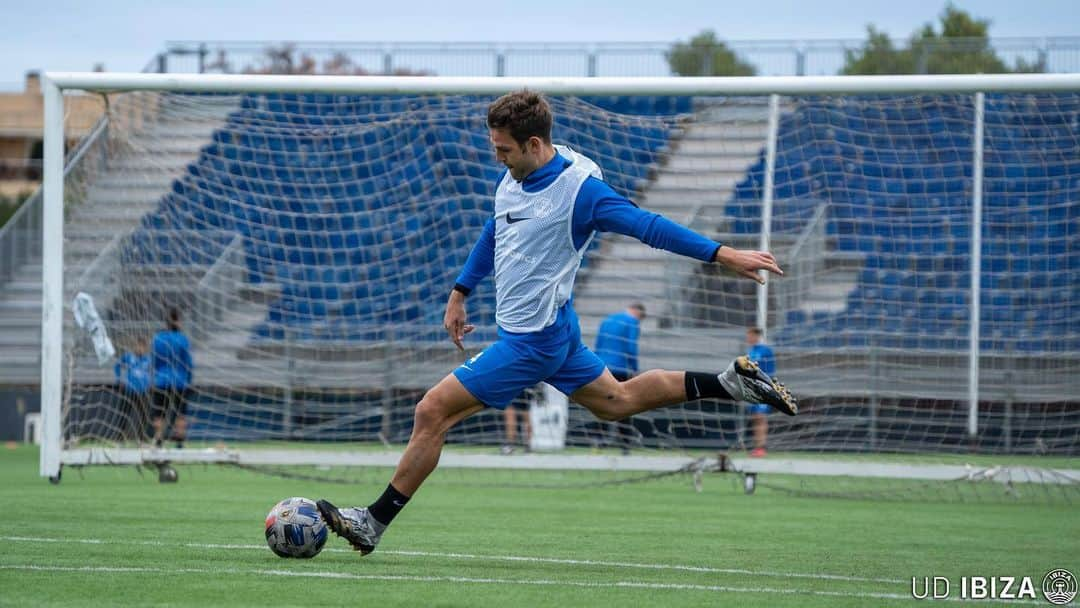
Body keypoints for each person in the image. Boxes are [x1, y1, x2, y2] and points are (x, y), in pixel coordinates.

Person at [317, 90, 797, 555]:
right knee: (618, 401)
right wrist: (461, 289)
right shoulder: (515, 175)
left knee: (431, 411)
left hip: (533, 341)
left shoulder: (581, 193)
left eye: (504, 149)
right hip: (557, 329)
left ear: (533, 144)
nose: (497, 158)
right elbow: (496, 226)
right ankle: (730, 384)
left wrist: (722, 253)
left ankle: (372, 522)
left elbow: (646, 224)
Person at [594, 303, 646, 452]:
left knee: (601, 403)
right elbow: (631, 347)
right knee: (624, 403)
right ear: (637, 312)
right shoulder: (632, 321)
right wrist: (635, 369)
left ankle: (600, 439)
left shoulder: (607, 320)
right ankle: (625, 443)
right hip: (620, 367)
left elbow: (598, 344)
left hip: (602, 367)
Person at [151, 307, 194, 449]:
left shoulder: (158, 338)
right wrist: (189, 378)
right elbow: (188, 362)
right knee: (180, 412)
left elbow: (154, 360)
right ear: (178, 322)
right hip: (180, 381)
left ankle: (158, 439)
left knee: (159, 413)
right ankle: (180, 441)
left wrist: (156, 375)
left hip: (162, 380)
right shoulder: (183, 339)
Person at [745, 327, 777, 457]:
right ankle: (757, 447)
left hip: (762, 387)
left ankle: (762, 447)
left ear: (756, 335)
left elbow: (769, 370)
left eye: (750, 336)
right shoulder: (751, 351)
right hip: (752, 388)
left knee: (761, 417)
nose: (748, 338)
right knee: (755, 417)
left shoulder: (766, 350)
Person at [114, 335, 152, 442]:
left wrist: (151, 382)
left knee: (143, 416)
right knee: (124, 414)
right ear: (134, 346)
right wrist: (119, 379)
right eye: (137, 346)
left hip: (143, 391)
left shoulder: (149, 359)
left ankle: (142, 437)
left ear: (145, 348)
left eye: (142, 347)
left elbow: (154, 371)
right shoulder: (128, 356)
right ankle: (120, 437)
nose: (139, 348)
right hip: (129, 389)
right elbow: (117, 366)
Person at [501, 389, 532, 455]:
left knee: (510, 410)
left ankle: (510, 444)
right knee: (525, 412)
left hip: (516, 384)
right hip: (529, 386)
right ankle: (528, 445)